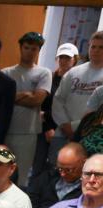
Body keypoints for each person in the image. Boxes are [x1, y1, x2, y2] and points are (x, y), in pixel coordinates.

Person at [2, 32, 51, 188]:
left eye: (34, 49)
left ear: (38, 51)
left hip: (28, 131)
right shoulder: (6, 73)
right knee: (1, 168)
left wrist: (12, 96)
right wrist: (25, 94)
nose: (29, 52)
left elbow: (37, 99)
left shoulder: (44, 73)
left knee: (21, 174)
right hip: (5, 128)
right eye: (26, 47)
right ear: (21, 48)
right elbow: (2, 99)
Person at [50, 31, 103, 160]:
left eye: (101, 47)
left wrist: (76, 127)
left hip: (90, 135)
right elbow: (58, 100)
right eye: (93, 46)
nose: (96, 50)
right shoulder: (74, 73)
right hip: (63, 132)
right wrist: (65, 125)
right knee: (55, 169)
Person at [34, 42, 79, 175]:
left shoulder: (77, 82)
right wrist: (48, 127)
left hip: (65, 130)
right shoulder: (49, 78)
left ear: (74, 60)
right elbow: (42, 105)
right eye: (61, 57)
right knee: (38, 164)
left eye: (67, 58)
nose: (63, 61)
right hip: (44, 128)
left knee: (57, 167)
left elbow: (69, 108)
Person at [28, 142, 86, 208]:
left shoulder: (89, 188)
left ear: (83, 162)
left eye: (68, 170)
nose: (62, 174)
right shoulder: (47, 178)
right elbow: (30, 204)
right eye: (60, 168)